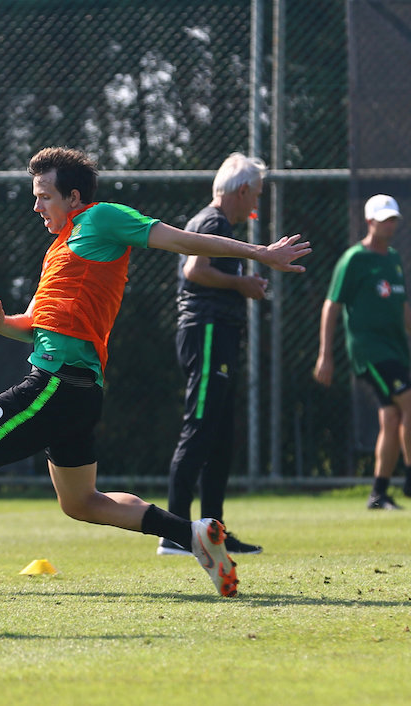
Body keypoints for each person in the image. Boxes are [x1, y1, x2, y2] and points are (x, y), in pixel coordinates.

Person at [0, 146, 310, 602]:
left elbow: (181, 239)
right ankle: (192, 534)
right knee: (81, 502)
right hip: (76, 389)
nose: (36, 207)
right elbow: (40, 325)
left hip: (55, 384)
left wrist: (259, 253)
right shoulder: (60, 247)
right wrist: (4, 325)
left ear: (74, 198)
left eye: (44, 197)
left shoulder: (102, 218)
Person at [159, 154, 268, 557]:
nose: (255, 204)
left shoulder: (215, 222)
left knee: (220, 437)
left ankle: (213, 531)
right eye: (256, 195)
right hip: (206, 331)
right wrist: (242, 284)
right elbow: (195, 270)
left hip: (217, 334)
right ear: (242, 190)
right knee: (201, 428)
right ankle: (174, 532)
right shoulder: (214, 222)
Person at [314, 194, 411, 509]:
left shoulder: (393, 259)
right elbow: (331, 305)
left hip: (396, 350)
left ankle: (379, 493)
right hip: (370, 351)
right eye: (383, 219)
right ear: (369, 221)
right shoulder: (354, 258)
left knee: (392, 416)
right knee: (408, 402)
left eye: (393, 219)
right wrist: (325, 354)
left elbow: (402, 307)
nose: (389, 225)